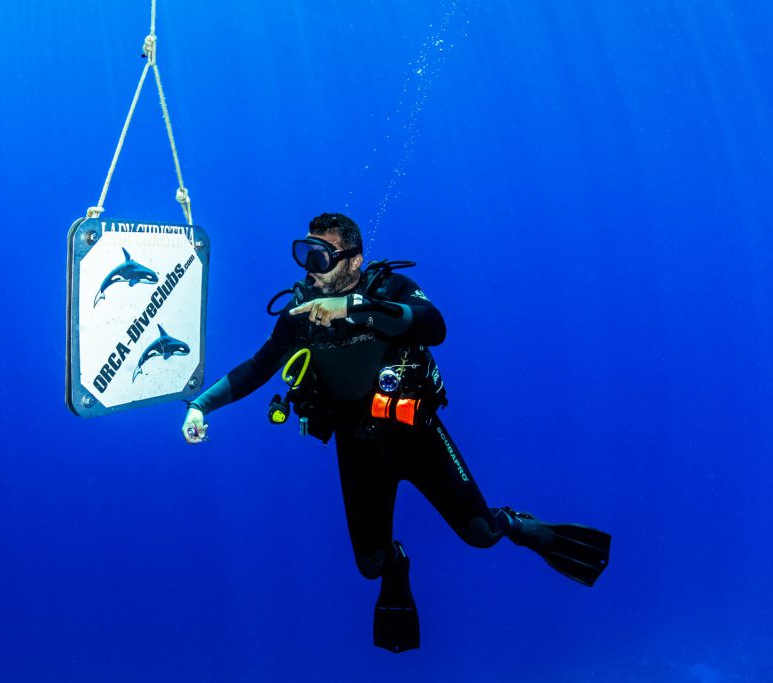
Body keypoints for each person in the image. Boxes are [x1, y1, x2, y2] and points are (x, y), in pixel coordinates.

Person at [180, 213, 610, 653]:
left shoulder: (389, 291)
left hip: (416, 435)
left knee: (480, 534)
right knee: (371, 566)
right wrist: (200, 405)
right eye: (304, 254)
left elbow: (434, 325)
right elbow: (256, 368)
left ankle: (518, 525)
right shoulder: (299, 317)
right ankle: (397, 565)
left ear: (353, 260)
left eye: (321, 256)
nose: (310, 267)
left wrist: (355, 307)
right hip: (356, 447)